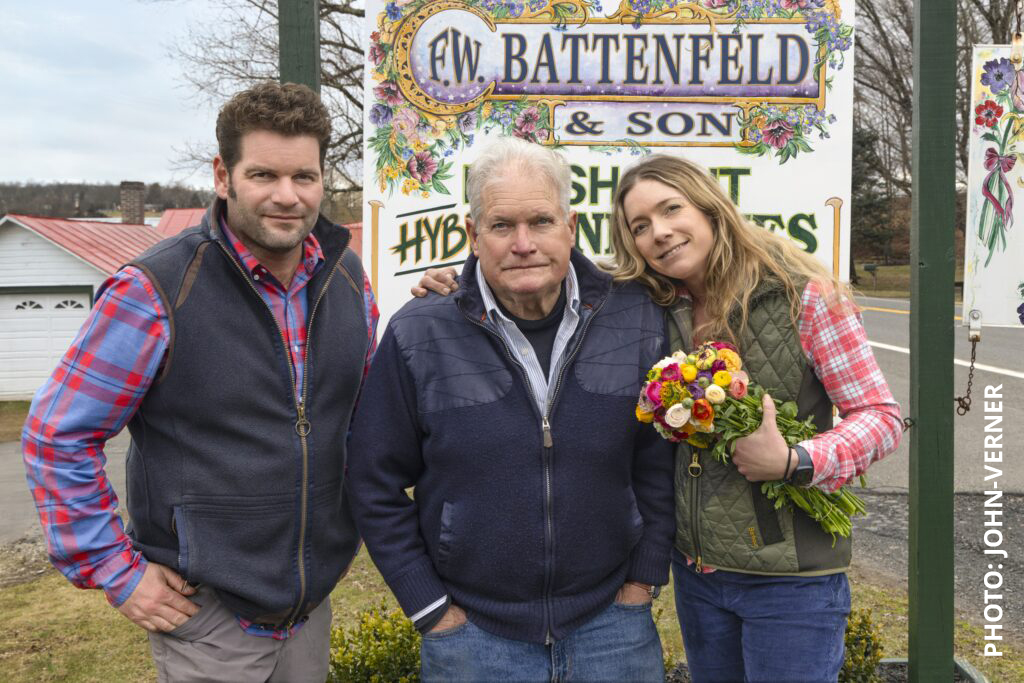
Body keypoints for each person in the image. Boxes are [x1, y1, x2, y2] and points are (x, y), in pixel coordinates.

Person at [416, 154, 903, 682]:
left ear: (710, 208)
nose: (661, 233)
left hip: (789, 580)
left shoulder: (803, 296)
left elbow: (880, 415)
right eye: (640, 226)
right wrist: (461, 282)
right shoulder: (649, 304)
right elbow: (551, 273)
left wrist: (795, 460)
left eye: (672, 210)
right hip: (698, 573)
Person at [22, 82, 378, 682]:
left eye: (305, 177)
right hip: (208, 618)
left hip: (310, 606)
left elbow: (366, 415)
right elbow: (54, 437)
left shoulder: (345, 275)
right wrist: (117, 571)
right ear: (223, 176)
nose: (287, 197)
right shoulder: (155, 290)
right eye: (264, 174)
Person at [347, 137, 675, 682]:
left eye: (541, 221)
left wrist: (642, 581)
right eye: (501, 226)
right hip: (473, 638)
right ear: (473, 235)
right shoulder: (419, 333)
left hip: (610, 627)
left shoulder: (633, 318)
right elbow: (371, 480)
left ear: (571, 226)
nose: (524, 244)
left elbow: (657, 461)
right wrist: (431, 609)